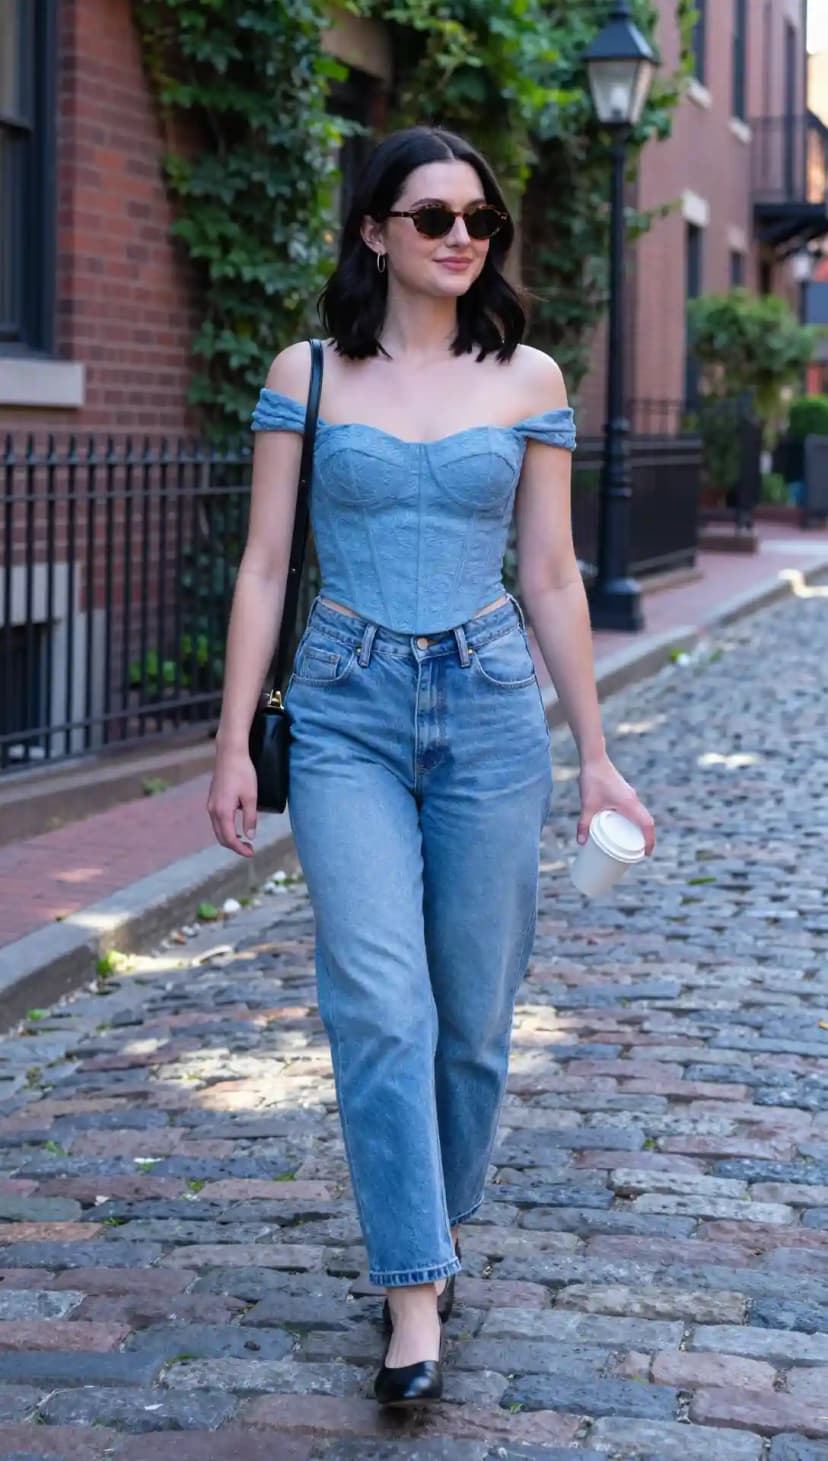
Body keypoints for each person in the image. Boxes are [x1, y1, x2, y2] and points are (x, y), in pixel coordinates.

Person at [207, 124, 655, 1407]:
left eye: (480, 220)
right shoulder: (309, 373)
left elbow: (556, 575)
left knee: (473, 1019)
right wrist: (235, 740)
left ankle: (437, 1227)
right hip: (345, 705)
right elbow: (263, 565)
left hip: (492, 709)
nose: (464, 237)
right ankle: (413, 1296)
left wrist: (599, 758)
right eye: (434, 216)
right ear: (373, 233)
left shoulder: (528, 379)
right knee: (379, 1003)